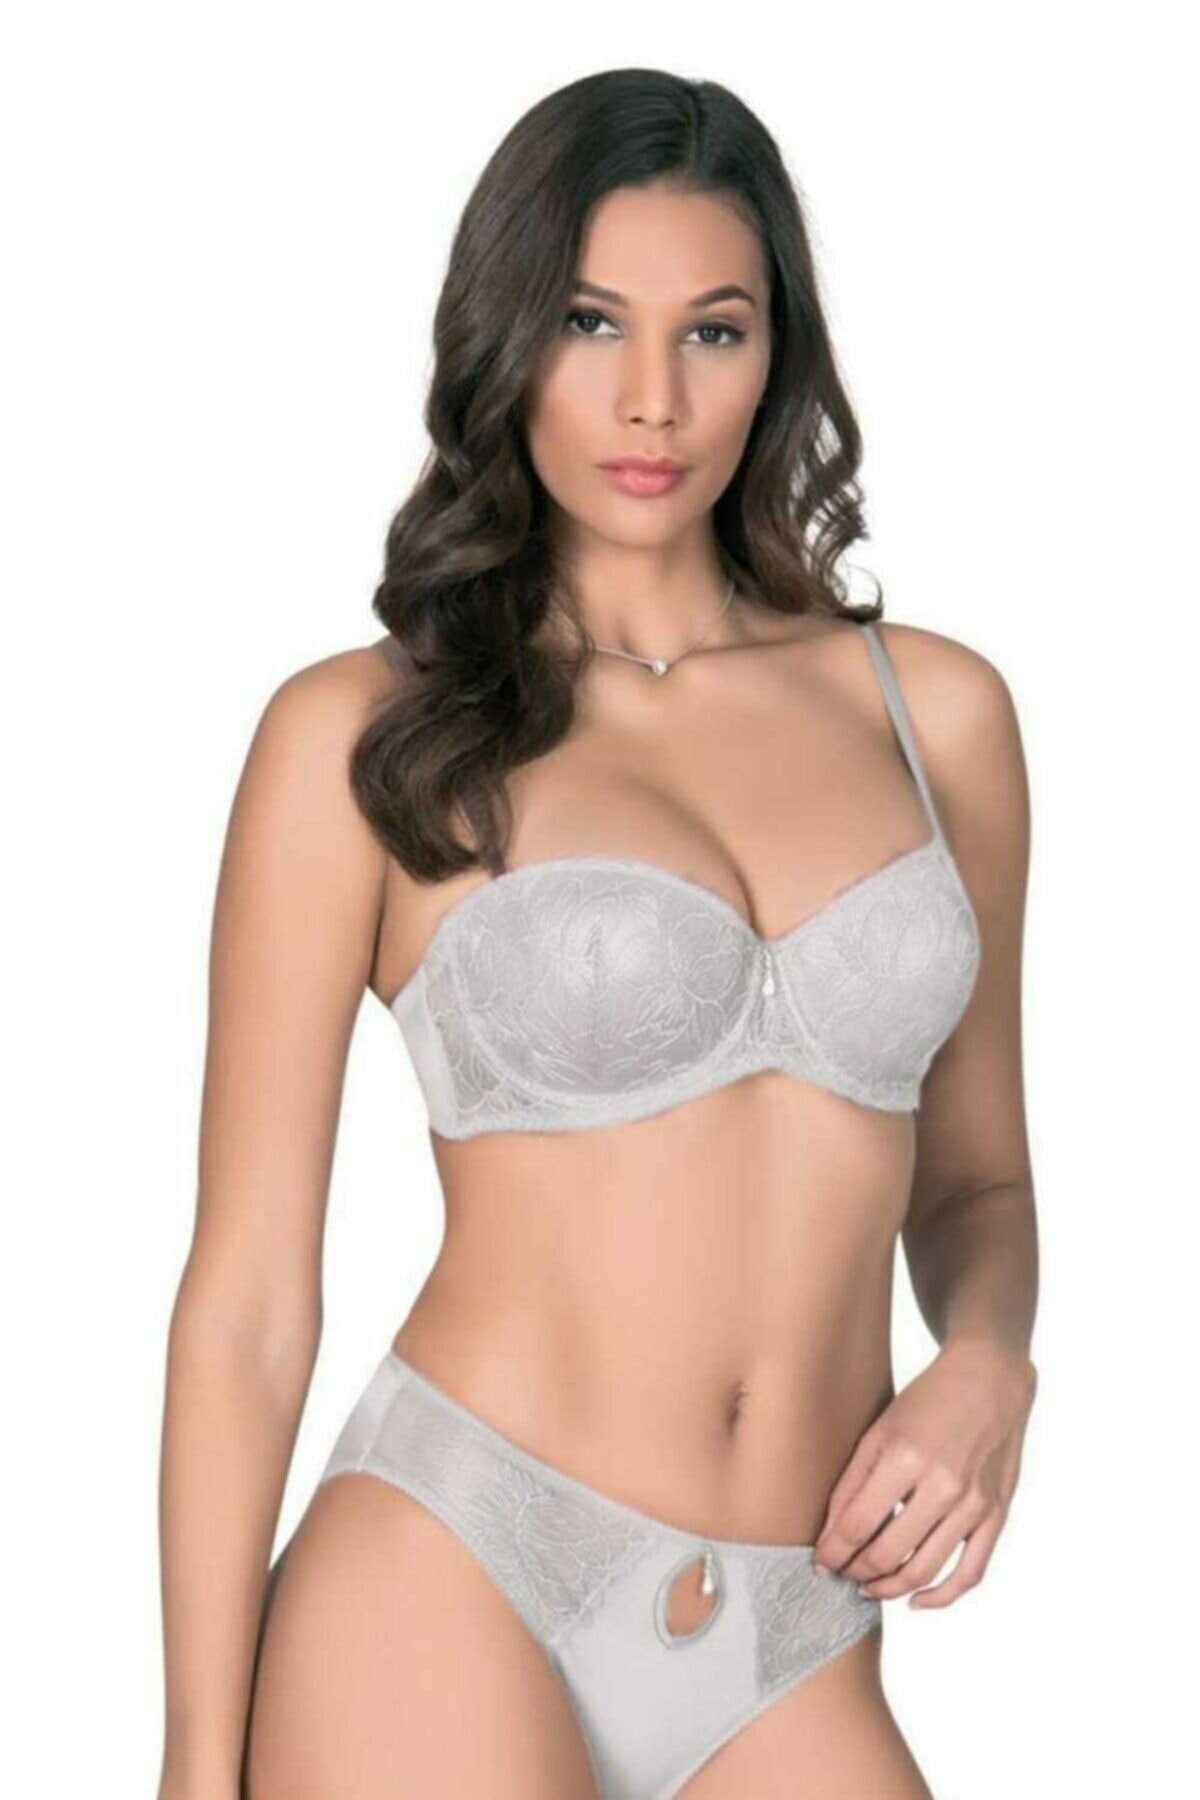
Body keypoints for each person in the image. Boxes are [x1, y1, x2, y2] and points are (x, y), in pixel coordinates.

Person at [157, 68, 1039, 1800]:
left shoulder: (936, 717)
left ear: (778, 354)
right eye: (589, 322)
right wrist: (195, 1766)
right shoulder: (361, 736)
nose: (653, 398)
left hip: (797, 1625)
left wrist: (992, 1361)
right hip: (455, 1561)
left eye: (713, 330)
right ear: (508, 338)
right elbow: (249, 1298)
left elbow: (981, 1183)